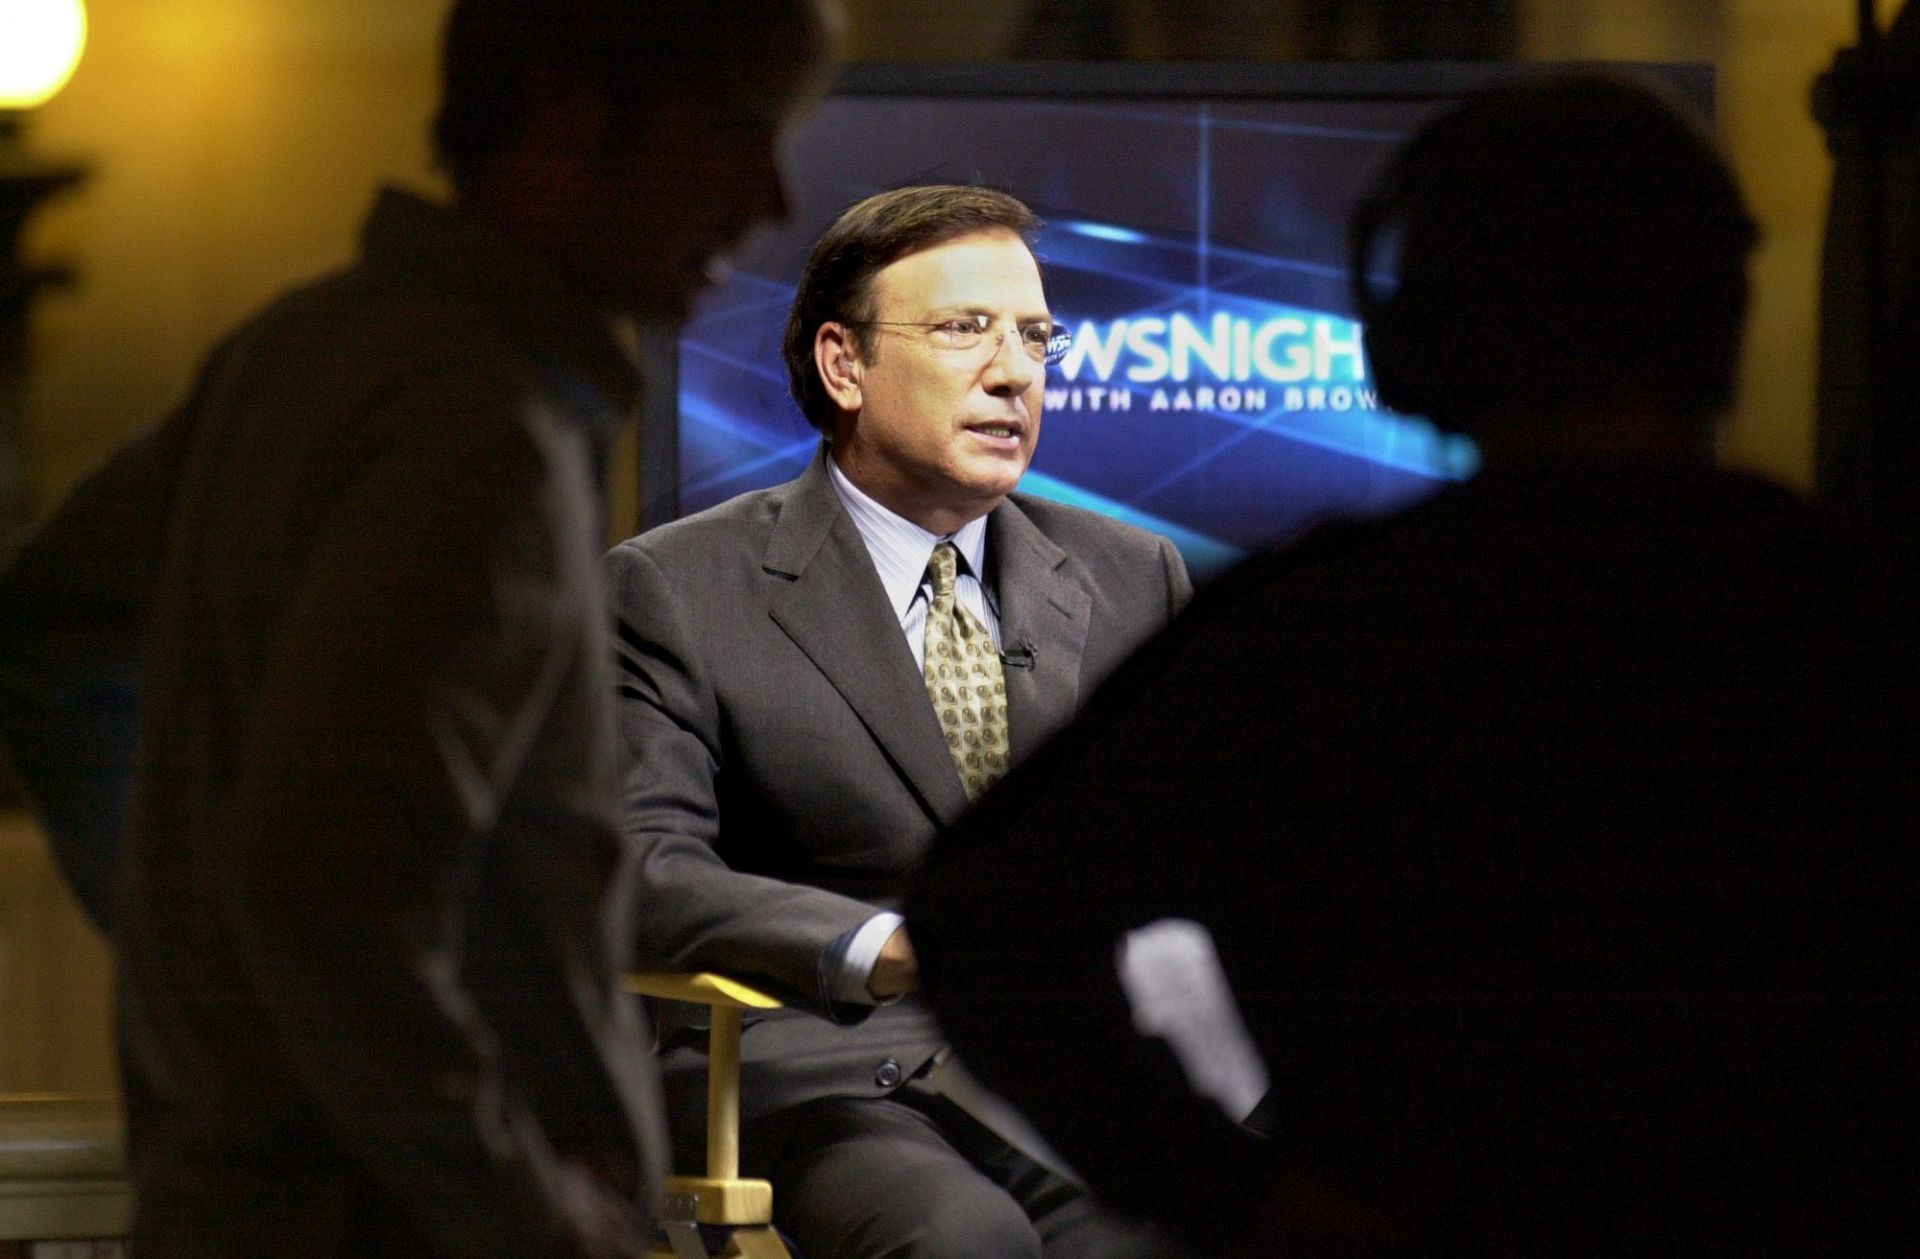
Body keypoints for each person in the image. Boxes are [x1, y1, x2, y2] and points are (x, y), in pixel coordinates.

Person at [908, 72, 1920, 1256]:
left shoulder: (1325, 630)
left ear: (1421, 333)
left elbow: (988, 919)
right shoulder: (1857, 610)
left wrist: (1245, 1197)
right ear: (1720, 310)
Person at [25, 1, 844, 1255]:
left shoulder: (301, 346)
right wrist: (523, 1198)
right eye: (736, 127)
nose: (771, 195)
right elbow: (322, 875)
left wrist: (197, 967)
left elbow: (46, 635)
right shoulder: (481, 430)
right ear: (567, 108)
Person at [604, 184, 1192, 1259]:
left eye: (1035, 337)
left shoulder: (1128, 573)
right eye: (967, 329)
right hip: (813, 1063)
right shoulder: (675, 586)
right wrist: (881, 946)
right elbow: (640, 866)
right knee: (965, 1239)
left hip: (1061, 1063)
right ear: (845, 365)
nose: (1015, 372)